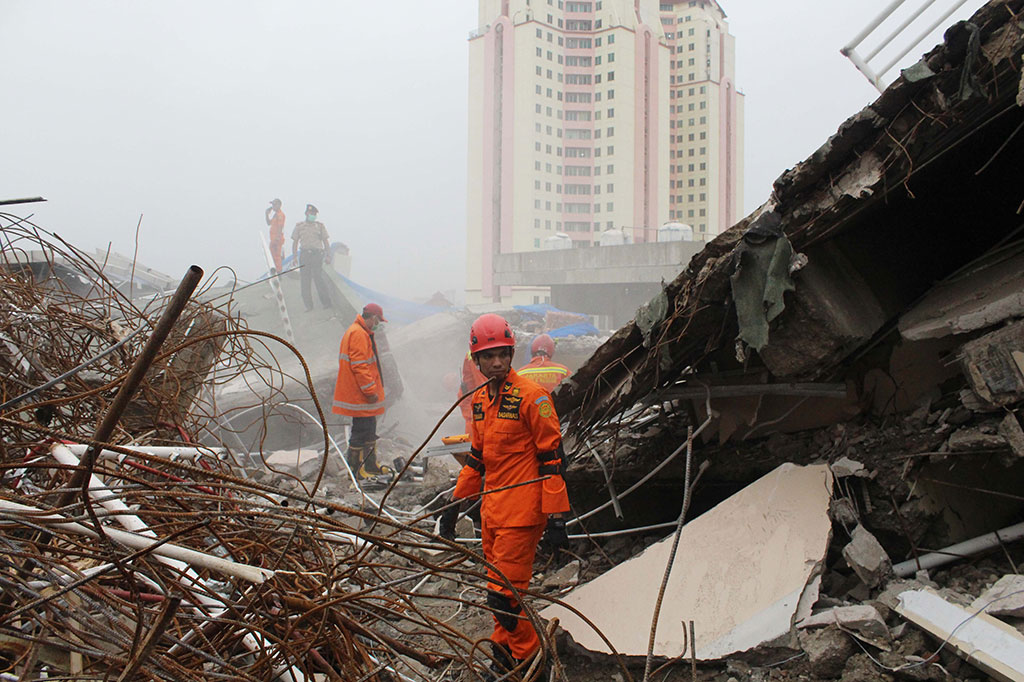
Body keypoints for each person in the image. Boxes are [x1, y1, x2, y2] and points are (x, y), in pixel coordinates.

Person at [440, 313, 570, 676]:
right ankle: (503, 660)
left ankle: (532, 665)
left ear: (511, 353)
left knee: (504, 598)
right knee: (499, 593)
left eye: (502, 354)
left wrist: (558, 518)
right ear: (476, 359)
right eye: (488, 356)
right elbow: (478, 458)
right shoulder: (481, 401)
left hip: (523, 513)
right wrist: (454, 505)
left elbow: (553, 458)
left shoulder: (533, 397)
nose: (496, 361)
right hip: (492, 514)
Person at [332, 303, 393, 479]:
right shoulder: (358, 333)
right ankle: (357, 470)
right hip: (361, 395)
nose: (377, 324)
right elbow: (360, 366)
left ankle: (370, 465)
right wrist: (370, 391)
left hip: (361, 395)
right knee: (360, 431)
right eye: (378, 321)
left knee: (369, 428)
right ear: (373, 317)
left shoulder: (358, 331)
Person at [290, 204, 333, 312]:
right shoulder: (300, 226)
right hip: (305, 255)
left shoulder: (320, 226)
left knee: (318, 278)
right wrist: (294, 257)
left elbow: (326, 242)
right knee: (305, 281)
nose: (312, 216)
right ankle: (309, 306)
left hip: (317, 255)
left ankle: (326, 303)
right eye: (311, 214)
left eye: (314, 214)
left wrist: (328, 255)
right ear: (306, 214)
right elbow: (295, 242)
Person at [458, 349, 487, 432]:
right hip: (476, 412)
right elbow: (486, 386)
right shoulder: (481, 354)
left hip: (472, 410)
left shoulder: (473, 353)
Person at [265, 198, 286, 273]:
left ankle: (279, 272)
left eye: (274, 205)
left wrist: (277, 238)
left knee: (277, 257)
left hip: (277, 239)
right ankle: (274, 272)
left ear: (279, 205)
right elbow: (268, 223)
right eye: (272, 205)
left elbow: (280, 227)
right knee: (272, 257)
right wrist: (267, 214)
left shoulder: (280, 215)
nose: (273, 207)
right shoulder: (275, 215)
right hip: (273, 239)